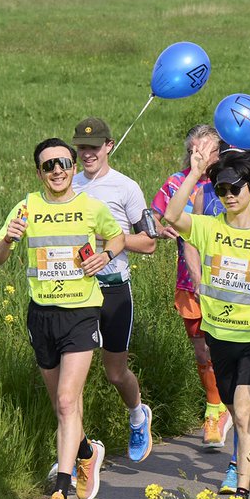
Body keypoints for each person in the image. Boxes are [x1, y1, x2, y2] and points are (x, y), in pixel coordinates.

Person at [0, 138, 125, 499]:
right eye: (49, 166)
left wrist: (107, 254)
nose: (58, 170)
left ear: (72, 167)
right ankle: (86, 451)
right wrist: (8, 239)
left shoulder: (90, 206)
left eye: (63, 163)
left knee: (68, 401)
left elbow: (117, 236)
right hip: (42, 316)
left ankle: (59, 495)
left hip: (81, 312)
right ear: (39, 173)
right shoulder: (27, 206)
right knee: (61, 406)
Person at [162, 147, 250, 499]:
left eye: (235, 188)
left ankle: (240, 494)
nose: (228, 196)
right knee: (240, 415)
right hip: (219, 336)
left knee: (243, 411)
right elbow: (171, 215)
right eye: (221, 190)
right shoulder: (208, 227)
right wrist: (195, 173)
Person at [69, 118, 156, 464]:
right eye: (82, 147)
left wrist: (109, 238)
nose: (87, 153)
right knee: (71, 381)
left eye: (94, 147)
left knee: (114, 373)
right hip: (75, 291)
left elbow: (149, 243)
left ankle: (137, 415)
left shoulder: (126, 187)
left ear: (109, 146)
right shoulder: (69, 185)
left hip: (114, 289)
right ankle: (77, 452)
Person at [151, 125, 231, 447]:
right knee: (201, 347)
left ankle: (237, 401)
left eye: (205, 151)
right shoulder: (176, 182)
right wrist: (159, 229)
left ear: (219, 152)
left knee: (226, 347)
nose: (198, 156)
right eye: (193, 150)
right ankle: (214, 407)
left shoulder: (229, 182)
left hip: (229, 281)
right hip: (189, 281)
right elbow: (152, 217)